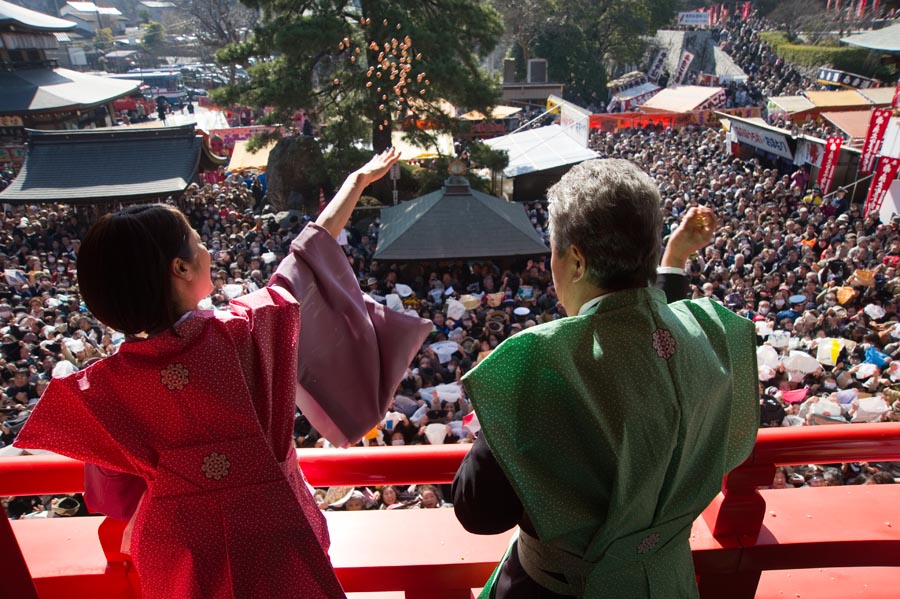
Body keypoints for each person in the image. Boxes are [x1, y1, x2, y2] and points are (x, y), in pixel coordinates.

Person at [14, 148, 431, 599]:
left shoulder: (105, 385)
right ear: (180, 269)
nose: (208, 250)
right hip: (274, 526)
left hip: (179, 546)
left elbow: (110, 493)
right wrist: (355, 185)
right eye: (197, 242)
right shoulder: (246, 330)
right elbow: (304, 261)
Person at [452, 159, 759, 598]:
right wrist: (672, 261)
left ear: (575, 260)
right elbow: (654, 336)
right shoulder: (715, 335)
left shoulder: (542, 365)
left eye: (553, 251)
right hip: (666, 582)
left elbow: (479, 511)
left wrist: (501, 399)